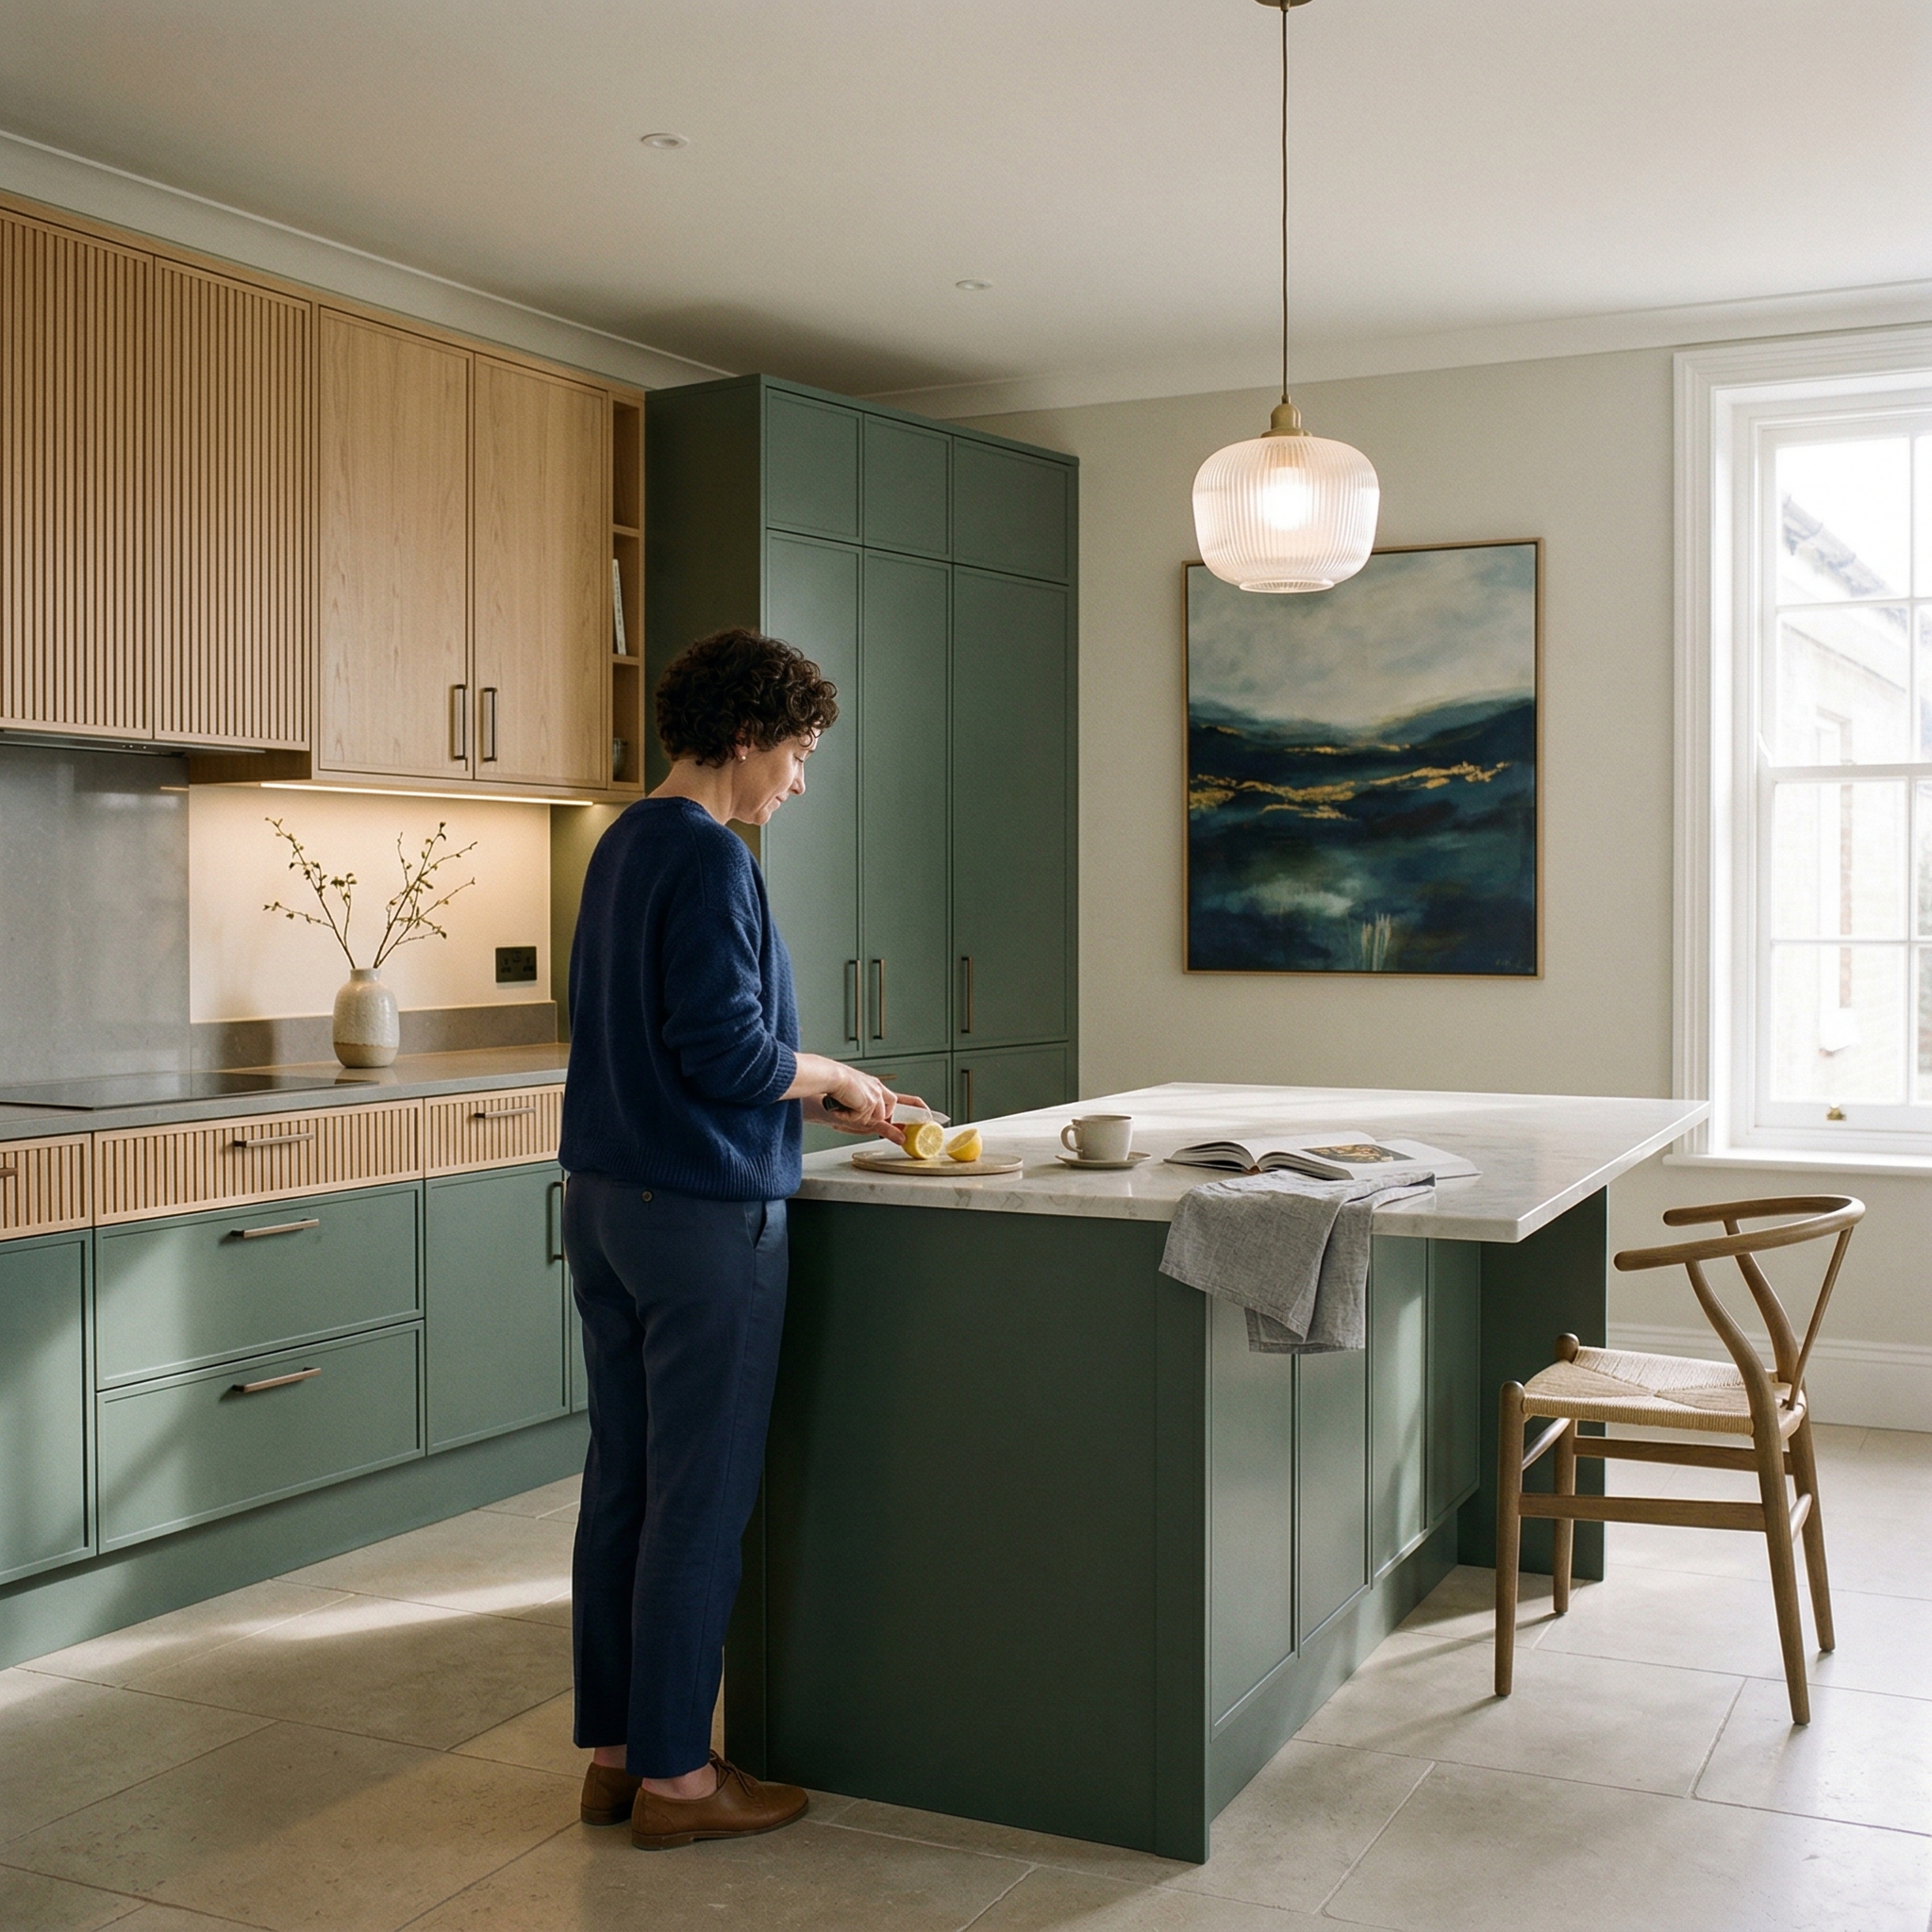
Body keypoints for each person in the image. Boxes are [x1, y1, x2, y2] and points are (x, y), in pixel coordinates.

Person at [558, 627, 917, 1850]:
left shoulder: (619, 845)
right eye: (802, 751)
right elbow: (722, 1051)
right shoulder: (712, 857)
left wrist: (827, 1095)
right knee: (697, 1502)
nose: (801, 781)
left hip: (606, 1206)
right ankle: (678, 1781)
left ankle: (614, 1752)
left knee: (626, 1484)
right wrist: (827, 1068)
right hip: (701, 1222)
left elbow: (670, 1050)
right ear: (749, 737)